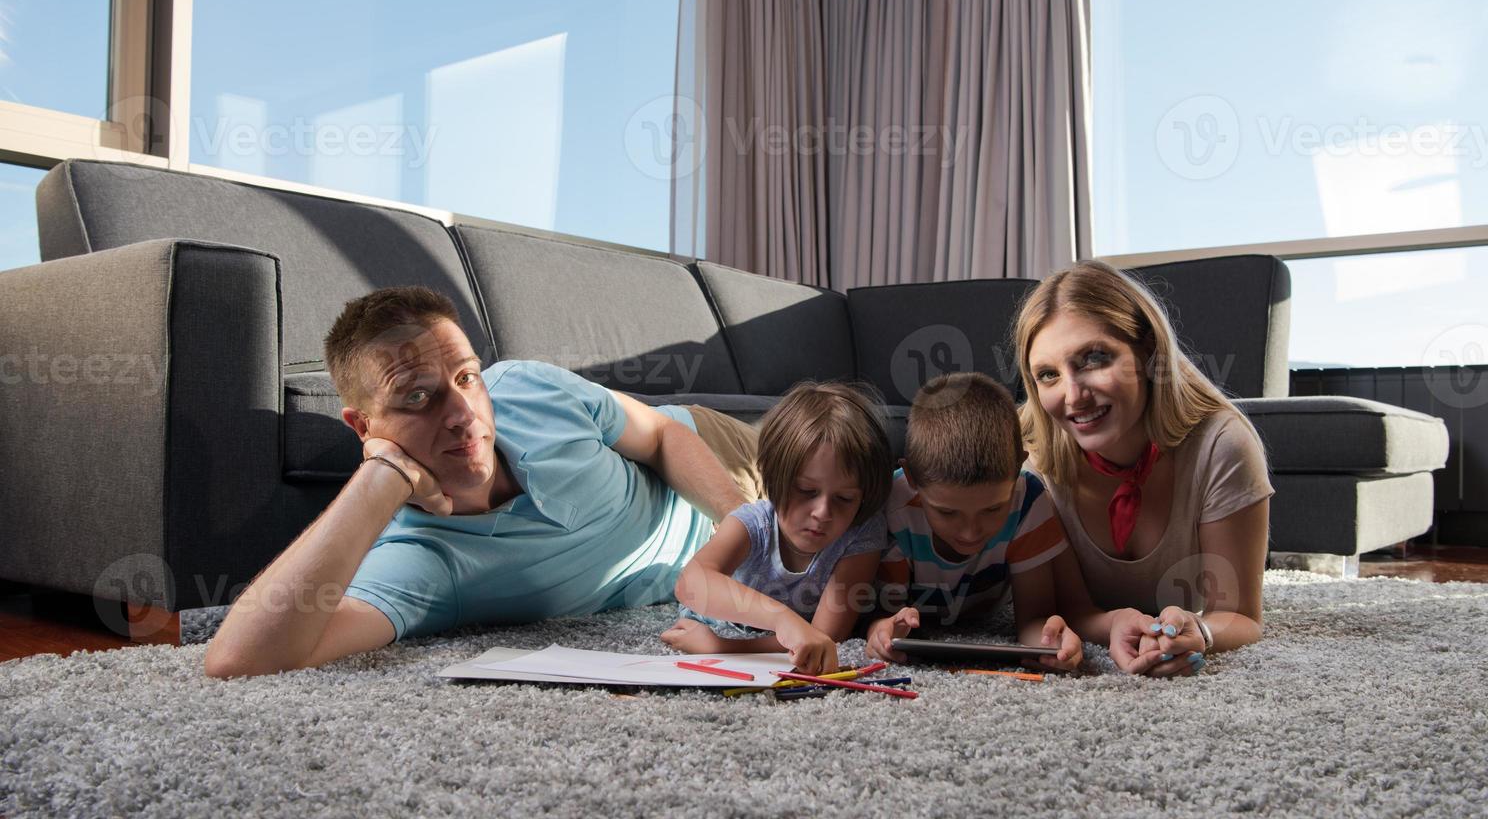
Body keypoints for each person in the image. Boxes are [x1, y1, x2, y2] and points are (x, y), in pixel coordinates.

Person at [204, 287, 757, 678]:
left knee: (839, 439)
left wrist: (749, 530)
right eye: (418, 397)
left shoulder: (530, 386)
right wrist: (380, 477)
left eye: (466, 378)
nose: (464, 413)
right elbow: (241, 659)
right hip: (702, 566)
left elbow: (662, 433)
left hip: (721, 458)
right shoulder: (423, 560)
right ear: (364, 426)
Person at [1014, 260, 1274, 678]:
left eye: (1094, 359)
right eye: (1048, 375)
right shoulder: (1032, 464)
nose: (1073, 395)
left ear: (1149, 354)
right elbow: (1065, 610)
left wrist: (1200, 631)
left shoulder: (1222, 446)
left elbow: (1239, 614)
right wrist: (1115, 623)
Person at [661, 382, 892, 676]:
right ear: (773, 476)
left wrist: (722, 648)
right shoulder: (754, 522)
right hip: (725, 621)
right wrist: (783, 620)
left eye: (844, 499)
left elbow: (825, 637)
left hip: (732, 640)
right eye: (806, 491)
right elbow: (690, 584)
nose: (822, 513)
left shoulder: (862, 531)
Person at [862, 372, 1085, 671]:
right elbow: (884, 614)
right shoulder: (893, 507)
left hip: (986, 612)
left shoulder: (1028, 499)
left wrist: (1049, 642)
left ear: (1018, 468)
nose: (971, 532)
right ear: (913, 480)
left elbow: (1033, 617)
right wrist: (881, 629)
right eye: (948, 513)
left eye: (993, 509)